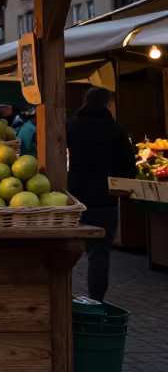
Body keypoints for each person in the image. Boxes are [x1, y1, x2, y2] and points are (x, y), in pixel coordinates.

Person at [67, 86, 135, 302]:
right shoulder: (115, 130)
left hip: (74, 198)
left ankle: (64, 295)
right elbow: (128, 168)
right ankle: (96, 300)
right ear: (108, 104)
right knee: (99, 255)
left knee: (68, 252)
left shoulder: (71, 126)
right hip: (104, 201)